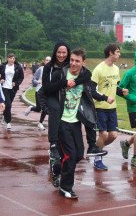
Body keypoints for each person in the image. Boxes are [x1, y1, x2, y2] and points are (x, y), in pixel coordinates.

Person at [40, 41, 106, 187]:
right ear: (55, 52)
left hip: (74, 117)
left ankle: (57, 168)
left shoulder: (73, 68)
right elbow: (45, 88)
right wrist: (63, 85)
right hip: (58, 112)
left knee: (76, 155)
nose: (62, 55)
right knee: (65, 152)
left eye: (65, 53)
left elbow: (86, 75)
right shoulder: (53, 69)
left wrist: (74, 82)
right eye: (59, 52)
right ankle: (64, 184)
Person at [57, 48, 98, 199]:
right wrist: (50, 110)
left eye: (77, 61)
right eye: (72, 60)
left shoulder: (85, 77)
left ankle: (56, 167)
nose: (73, 63)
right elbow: (43, 92)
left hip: (75, 121)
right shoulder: (60, 73)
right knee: (70, 154)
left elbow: (90, 91)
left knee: (79, 154)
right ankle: (65, 187)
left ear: (83, 63)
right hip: (61, 121)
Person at [91, 43, 128, 170]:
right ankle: (98, 159)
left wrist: (122, 92)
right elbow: (92, 91)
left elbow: (116, 87)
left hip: (112, 108)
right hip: (100, 107)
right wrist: (106, 98)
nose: (119, 54)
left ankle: (95, 149)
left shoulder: (116, 69)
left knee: (113, 135)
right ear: (110, 53)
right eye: (117, 51)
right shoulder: (98, 69)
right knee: (104, 135)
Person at [0, 53, 24, 130]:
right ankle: (8, 122)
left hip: (13, 89)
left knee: (8, 104)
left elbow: (21, 77)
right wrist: (0, 79)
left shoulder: (18, 67)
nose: (12, 60)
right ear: (7, 58)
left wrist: (16, 83)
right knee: (8, 105)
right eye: (11, 58)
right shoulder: (3, 66)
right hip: (4, 87)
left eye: (13, 58)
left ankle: (4, 116)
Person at [24, 56, 51, 130]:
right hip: (39, 91)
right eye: (47, 60)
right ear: (44, 61)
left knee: (45, 108)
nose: (48, 61)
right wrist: (38, 82)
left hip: (48, 92)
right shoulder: (40, 69)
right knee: (39, 109)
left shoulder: (52, 70)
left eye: (49, 60)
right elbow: (34, 79)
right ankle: (31, 108)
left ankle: (40, 123)